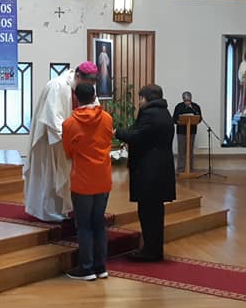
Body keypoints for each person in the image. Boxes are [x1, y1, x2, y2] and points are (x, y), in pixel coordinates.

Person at [24, 62, 98, 222]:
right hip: (53, 141)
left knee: (70, 176)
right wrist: (69, 139)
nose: (90, 87)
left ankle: (69, 209)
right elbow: (53, 118)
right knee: (51, 176)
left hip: (74, 141)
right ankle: (50, 212)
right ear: (78, 76)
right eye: (88, 83)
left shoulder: (85, 88)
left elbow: (94, 109)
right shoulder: (57, 86)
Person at [116, 84, 176, 262]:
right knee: (156, 213)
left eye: (141, 98)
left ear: (148, 98)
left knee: (148, 212)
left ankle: (150, 251)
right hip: (161, 170)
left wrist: (117, 132)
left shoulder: (149, 114)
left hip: (149, 171)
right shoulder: (165, 113)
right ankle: (154, 248)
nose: (139, 102)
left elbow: (136, 136)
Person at [62, 83, 114, 281]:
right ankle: (101, 267)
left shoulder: (69, 124)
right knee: (99, 223)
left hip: (82, 179)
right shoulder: (107, 118)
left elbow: (68, 152)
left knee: (84, 225)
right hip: (103, 177)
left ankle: (86, 268)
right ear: (94, 96)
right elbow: (108, 141)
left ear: (76, 99)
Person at [172, 91, 202, 174]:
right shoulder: (179, 106)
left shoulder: (195, 107)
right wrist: (179, 121)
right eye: (186, 100)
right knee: (181, 151)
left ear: (191, 99)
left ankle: (190, 169)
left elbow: (199, 118)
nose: (187, 102)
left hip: (191, 131)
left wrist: (196, 119)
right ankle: (180, 170)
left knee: (190, 151)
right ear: (183, 99)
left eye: (189, 100)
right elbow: (174, 119)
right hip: (181, 132)